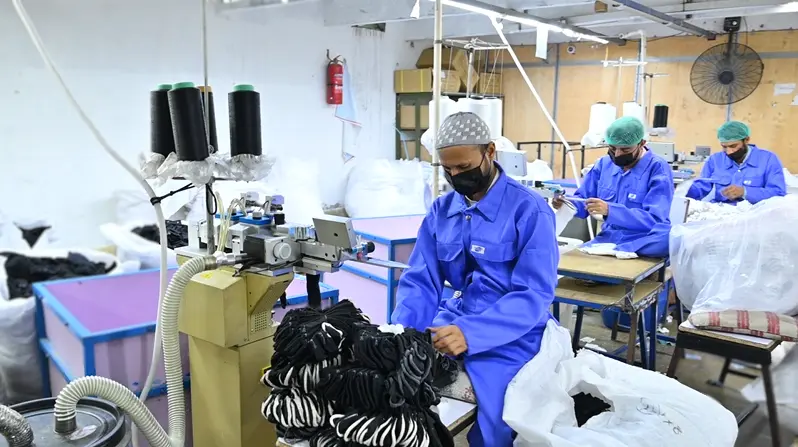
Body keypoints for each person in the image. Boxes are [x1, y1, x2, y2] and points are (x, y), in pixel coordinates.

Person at [391, 112, 559, 447]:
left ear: (490, 152)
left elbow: (534, 294)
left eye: (464, 168)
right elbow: (421, 280)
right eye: (448, 169)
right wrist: (401, 334)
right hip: (456, 315)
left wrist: (471, 334)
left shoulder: (529, 211)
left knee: (497, 418)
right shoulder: (442, 210)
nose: (456, 176)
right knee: (399, 383)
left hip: (514, 331)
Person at [553, 116, 674, 258]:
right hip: (609, 238)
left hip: (644, 239)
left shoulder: (657, 168)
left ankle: (620, 249)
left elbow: (654, 220)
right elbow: (583, 201)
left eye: (625, 149)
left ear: (641, 143)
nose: (617, 154)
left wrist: (610, 211)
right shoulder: (603, 165)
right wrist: (566, 202)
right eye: (612, 148)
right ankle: (614, 250)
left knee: (668, 238)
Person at [686, 121, 786, 204]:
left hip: (755, 216)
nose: (729, 152)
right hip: (719, 214)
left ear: (746, 140)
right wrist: (683, 191)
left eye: (733, 146)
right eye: (724, 147)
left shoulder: (768, 160)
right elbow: (702, 187)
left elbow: (778, 193)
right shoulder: (715, 160)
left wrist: (745, 192)